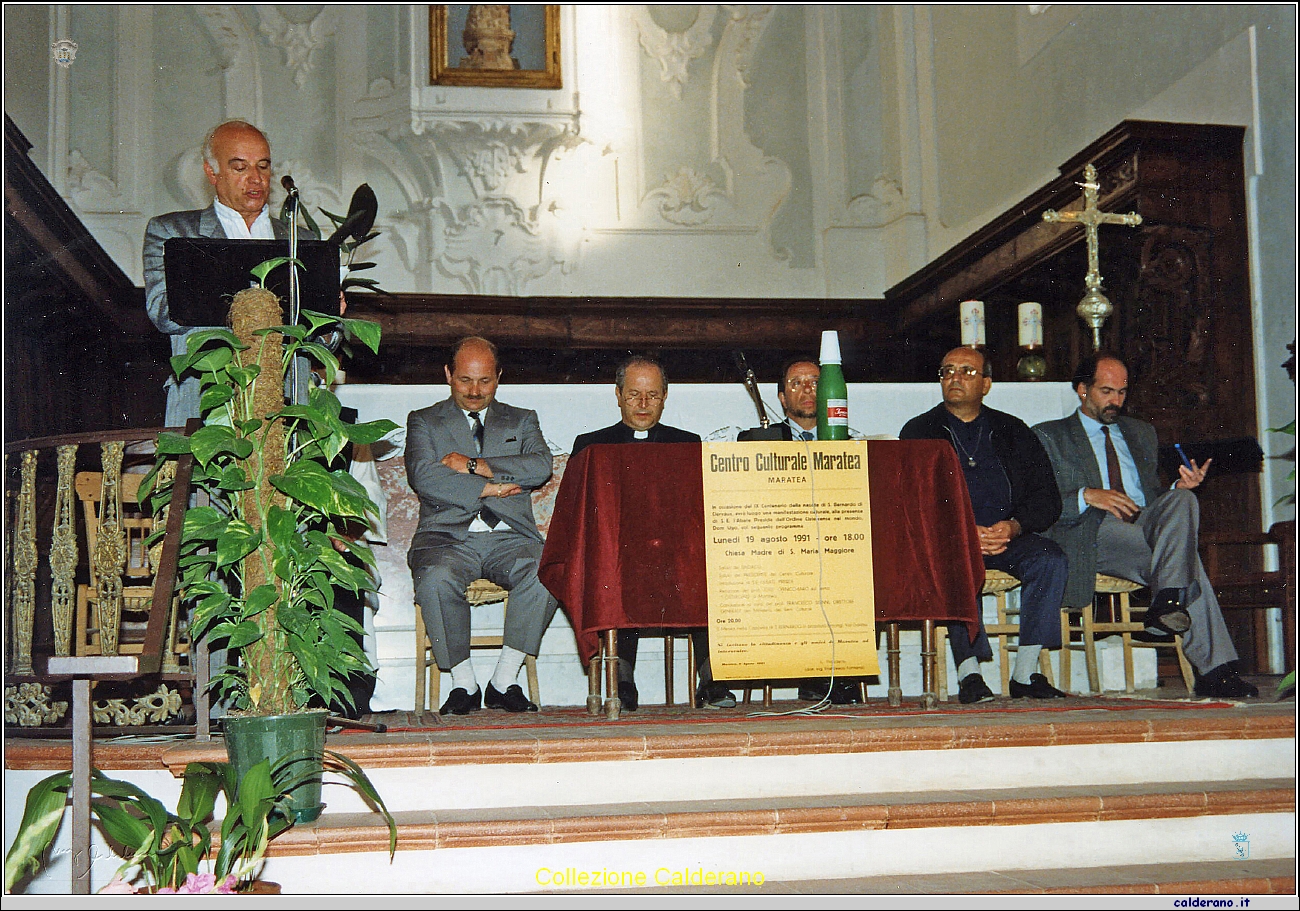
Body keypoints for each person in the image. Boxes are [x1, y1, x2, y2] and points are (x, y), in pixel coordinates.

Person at [1032, 354, 1257, 699]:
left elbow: (1152, 498)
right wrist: (1086, 494)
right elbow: (1036, 505)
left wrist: (1177, 489)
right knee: (1185, 562)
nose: (1116, 401)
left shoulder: (1140, 432)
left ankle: (1167, 600)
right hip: (1092, 530)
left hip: (1144, 522)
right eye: (1106, 391)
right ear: (1082, 389)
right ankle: (1210, 662)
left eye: (1122, 392)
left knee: (1183, 501)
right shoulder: (1050, 436)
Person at [900, 347, 1070, 703]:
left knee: (1049, 558)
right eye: (947, 371)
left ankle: (1025, 673)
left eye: (966, 371)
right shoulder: (918, 431)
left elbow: (1047, 498)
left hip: (1007, 536)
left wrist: (1014, 526)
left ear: (987, 384)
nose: (955, 378)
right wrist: (961, 533)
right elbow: (910, 504)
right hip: (953, 541)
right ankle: (970, 673)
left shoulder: (1013, 430)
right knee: (954, 564)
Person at [143, 120, 340, 425]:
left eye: (263, 167)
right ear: (212, 172)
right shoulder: (171, 232)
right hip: (206, 402)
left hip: (285, 407)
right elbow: (163, 314)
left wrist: (327, 321)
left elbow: (318, 343)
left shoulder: (302, 240)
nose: (256, 179)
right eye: (240, 168)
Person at [571, 355, 736, 710]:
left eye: (653, 395)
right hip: (619, 556)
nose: (643, 404)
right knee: (620, 573)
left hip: (676, 557)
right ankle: (622, 676)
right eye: (633, 395)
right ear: (617, 395)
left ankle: (712, 677)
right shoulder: (591, 446)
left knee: (704, 571)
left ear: (665, 396)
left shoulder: (688, 444)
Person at [406, 337, 558, 713]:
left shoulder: (521, 419)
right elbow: (426, 477)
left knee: (550, 570)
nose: (475, 391)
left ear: (499, 377)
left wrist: (474, 465)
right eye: (464, 380)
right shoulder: (424, 421)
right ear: (448, 375)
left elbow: (540, 465)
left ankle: (504, 680)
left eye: (485, 381)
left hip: (510, 537)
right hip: (445, 537)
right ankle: (464, 683)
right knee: (436, 578)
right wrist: (492, 486)